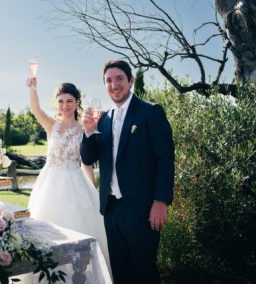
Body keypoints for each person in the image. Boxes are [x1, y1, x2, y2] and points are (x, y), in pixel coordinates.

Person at [81, 60, 175, 283]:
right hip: (111, 209)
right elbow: (88, 158)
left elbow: (165, 159)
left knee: (144, 271)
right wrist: (88, 132)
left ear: (130, 81)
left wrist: (160, 201)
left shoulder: (150, 112)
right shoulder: (102, 120)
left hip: (142, 209)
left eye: (119, 78)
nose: (114, 85)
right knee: (121, 273)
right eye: (109, 80)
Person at [24, 77, 111, 280]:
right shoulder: (51, 126)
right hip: (49, 184)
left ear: (77, 102)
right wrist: (33, 87)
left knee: (79, 230)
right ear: (57, 103)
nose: (65, 105)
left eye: (69, 101)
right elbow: (36, 110)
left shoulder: (84, 129)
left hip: (75, 183)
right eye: (61, 101)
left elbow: (86, 163)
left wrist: (93, 190)